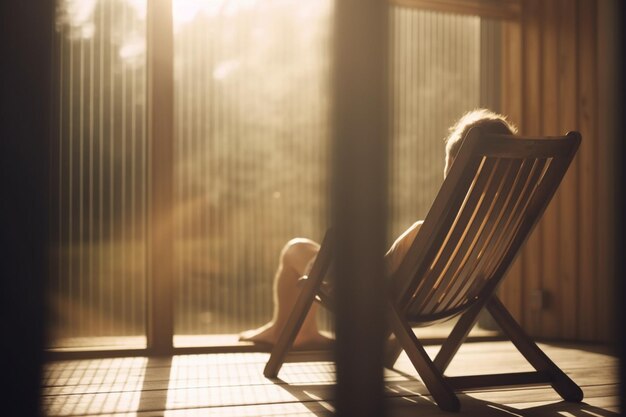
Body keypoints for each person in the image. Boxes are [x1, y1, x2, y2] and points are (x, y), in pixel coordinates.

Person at [239, 108, 517, 349]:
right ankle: (303, 332)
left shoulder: (431, 235)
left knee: (296, 249)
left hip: (367, 295)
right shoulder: (498, 229)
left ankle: (284, 331)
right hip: (420, 300)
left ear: (455, 168)